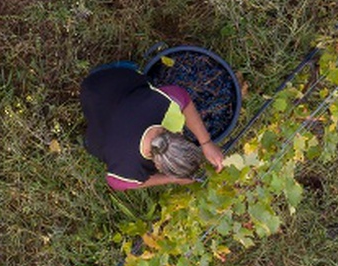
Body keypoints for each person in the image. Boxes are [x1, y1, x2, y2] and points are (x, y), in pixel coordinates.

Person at [79, 60, 227, 191]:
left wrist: (206, 143)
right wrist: (170, 179)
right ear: (158, 166)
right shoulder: (128, 168)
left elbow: (182, 96)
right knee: (93, 143)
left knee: (129, 72)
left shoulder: (162, 104)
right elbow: (115, 183)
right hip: (96, 100)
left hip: (98, 86)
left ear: (176, 135)